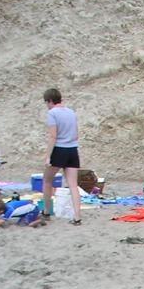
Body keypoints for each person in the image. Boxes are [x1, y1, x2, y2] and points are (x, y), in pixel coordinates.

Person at [42, 88, 82, 224]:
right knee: (73, 185)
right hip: (72, 150)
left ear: (50, 101)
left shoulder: (52, 113)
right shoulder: (71, 112)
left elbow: (53, 136)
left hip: (59, 149)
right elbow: (76, 134)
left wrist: (48, 156)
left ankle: (46, 211)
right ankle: (77, 217)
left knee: (47, 180)